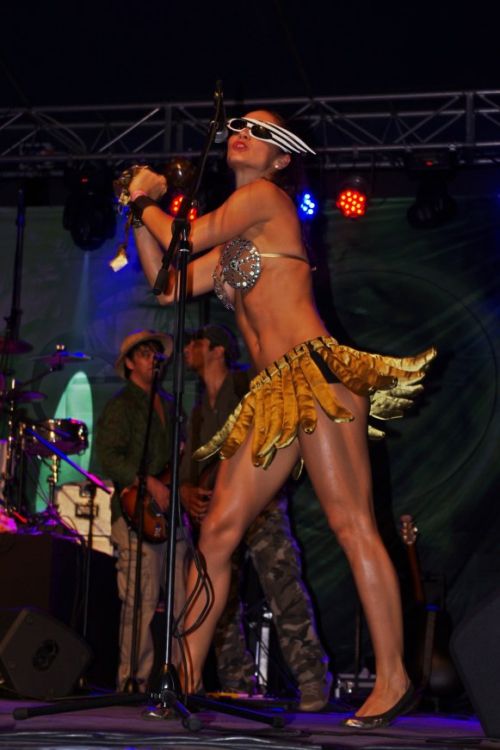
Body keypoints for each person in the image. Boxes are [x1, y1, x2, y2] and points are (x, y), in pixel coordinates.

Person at [125, 110, 436, 727]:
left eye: (261, 132)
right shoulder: (235, 245)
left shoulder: (267, 198)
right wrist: (138, 217)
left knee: (351, 523)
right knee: (217, 534)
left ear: (281, 158)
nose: (243, 133)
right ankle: (181, 677)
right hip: (271, 395)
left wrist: (142, 200)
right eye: (239, 126)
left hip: (314, 376)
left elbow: (189, 231)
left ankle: (394, 676)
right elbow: (168, 283)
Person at [180, 323, 331, 710]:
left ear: (217, 350)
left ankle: (313, 680)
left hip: (261, 505)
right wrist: (187, 491)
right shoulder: (198, 411)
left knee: (283, 585)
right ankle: (237, 684)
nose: (187, 349)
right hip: (218, 512)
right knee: (213, 597)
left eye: (196, 342)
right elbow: (191, 468)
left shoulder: (249, 384)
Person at [95, 329, 190, 692]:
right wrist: (147, 481)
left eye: (156, 353)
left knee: (182, 600)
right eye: (145, 354)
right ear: (131, 364)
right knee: (141, 601)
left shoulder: (170, 404)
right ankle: (132, 680)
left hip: (169, 515)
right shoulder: (121, 405)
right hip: (135, 512)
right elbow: (108, 457)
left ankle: (180, 679)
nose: (154, 359)